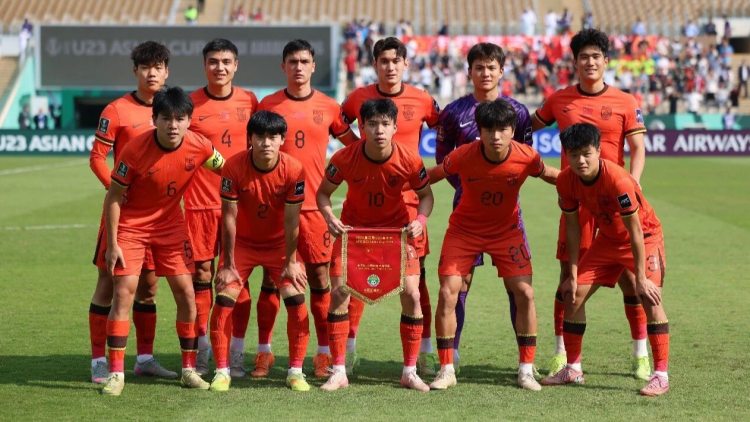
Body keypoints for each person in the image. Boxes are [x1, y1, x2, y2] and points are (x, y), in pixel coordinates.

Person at [531, 28, 650, 380]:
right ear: (575, 62)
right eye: (583, 56)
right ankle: (561, 354)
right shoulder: (559, 100)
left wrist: (634, 185)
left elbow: (638, 149)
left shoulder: (625, 101)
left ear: (606, 61)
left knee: (631, 278)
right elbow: (524, 130)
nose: (590, 62)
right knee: (569, 278)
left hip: (616, 204)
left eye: (596, 56)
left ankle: (641, 354)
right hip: (576, 204)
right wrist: (541, 168)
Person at [101, 86, 226, 395]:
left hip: (170, 226)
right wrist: (113, 244)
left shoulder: (200, 146)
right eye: (166, 118)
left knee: (187, 293)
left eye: (180, 119)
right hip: (132, 227)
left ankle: (188, 369)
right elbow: (113, 197)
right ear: (154, 119)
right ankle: (116, 374)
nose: (173, 125)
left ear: (189, 121)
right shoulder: (134, 151)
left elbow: (228, 169)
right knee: (124, 293)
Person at [429, 100, 559, 392]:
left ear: (513, 130)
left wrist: (588, 184)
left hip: (506, 233)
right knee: (448, 292)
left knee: (525, 293)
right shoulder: (463, 154)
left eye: (502, 129)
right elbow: (431, 175)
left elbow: (551, 175)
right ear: (480, 131)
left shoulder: (527, 156)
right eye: (489, 130)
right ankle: (447, 369)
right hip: (464, 232)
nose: (496, 136)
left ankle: (526, 370)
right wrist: (399, 184)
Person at [253, 39, 358, 379]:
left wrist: (340, 176)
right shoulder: (268, 105)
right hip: (275, 209)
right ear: (283, 66)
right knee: (272, 280)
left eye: (304, 61)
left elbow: (354, 148)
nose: (298, 67)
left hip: (314, 209)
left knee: (319, 280)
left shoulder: (328, 106)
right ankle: (264, 352)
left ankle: (323, 354)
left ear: (313, 66)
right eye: (292, 62)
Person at [541, 123, 670, 397]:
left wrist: (641, 278)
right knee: (572, 295)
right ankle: (573, 369)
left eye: (586, 153)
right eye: (574, 155)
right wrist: (572, 273)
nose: (581, 160)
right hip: (608, 240)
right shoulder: (565, 181)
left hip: (644, 237)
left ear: (598, 151)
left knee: (650, 297)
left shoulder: (618, 180)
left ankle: (661, 375)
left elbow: (636, 230)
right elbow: (573, 228)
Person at [317, 98, 434, 392]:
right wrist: (330, 217)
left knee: (412, 294)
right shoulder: (344, 158)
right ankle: (339, 370)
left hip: (396, 234)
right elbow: (323, 194)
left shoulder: (410, 159)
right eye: (372, 124)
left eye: (385, 124)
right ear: (362, 127)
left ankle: (409, 371)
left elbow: (426, 196)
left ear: (395, 127)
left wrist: (420, 220)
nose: (379, 130)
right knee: (339, 293)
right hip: (354, 235)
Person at [341, 37, 440, 377]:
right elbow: (338, 124)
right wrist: (357, 154)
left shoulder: (422, 99)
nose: (390, 66)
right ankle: (348, 349)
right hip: (365, 203)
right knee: (355, 276)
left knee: (416, 281)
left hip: (409, 206)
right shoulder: (358, 98)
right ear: (375, 64)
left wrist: (436, 170)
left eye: (396, 61)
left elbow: (443, 129)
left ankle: (424, 351)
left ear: (405, 64)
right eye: (383, 61)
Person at [434, 42, 532, 373]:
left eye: (491, 67)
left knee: (517, 287)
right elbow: (443, 161)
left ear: (501, 71)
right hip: (466, 211)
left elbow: (525, 159)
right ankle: (452, 355)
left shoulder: (518, 112)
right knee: (459, 284)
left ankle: (525, 363)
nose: (485, 73)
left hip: (506, 215)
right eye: (479, 67)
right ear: (470, 71)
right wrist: (470, 188)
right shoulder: (453, 112)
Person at [88, 41, 174, 385]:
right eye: (145, 67)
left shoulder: (173, 109)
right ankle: (98, 360)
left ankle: (145, 359)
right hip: (123, 215)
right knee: (108, 283)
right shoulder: (117, 110)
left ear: (167, 71)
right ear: (135, 70)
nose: (152, 73)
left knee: (149, 287)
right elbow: (97, 157)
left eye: (158, 67)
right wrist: (117, 190)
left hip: (159, 215)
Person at [209, 110, 311, 392]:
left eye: (273, 136)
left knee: (296, 299)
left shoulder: (294, 169)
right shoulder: (233, 167)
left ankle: (295, 371)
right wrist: (228, 263)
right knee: (224, 299)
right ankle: (222, 371)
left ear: (282, 139)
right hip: (242, 244)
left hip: (279, 246)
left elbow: (292, 219)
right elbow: (229, 217)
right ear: (250, 138)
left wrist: (291, 261)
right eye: (260, 136)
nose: (266, 142)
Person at [186, 39, 259, 378]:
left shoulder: (250, 101)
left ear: (236, 65)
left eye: (226, 61)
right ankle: (202, 350)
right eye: (213, 61)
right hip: (200, 205)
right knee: (201, 276)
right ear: (204, 65)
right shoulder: (190, 104)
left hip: (241, 207)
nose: (220, 67)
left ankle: (236, 352)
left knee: (238, 278)